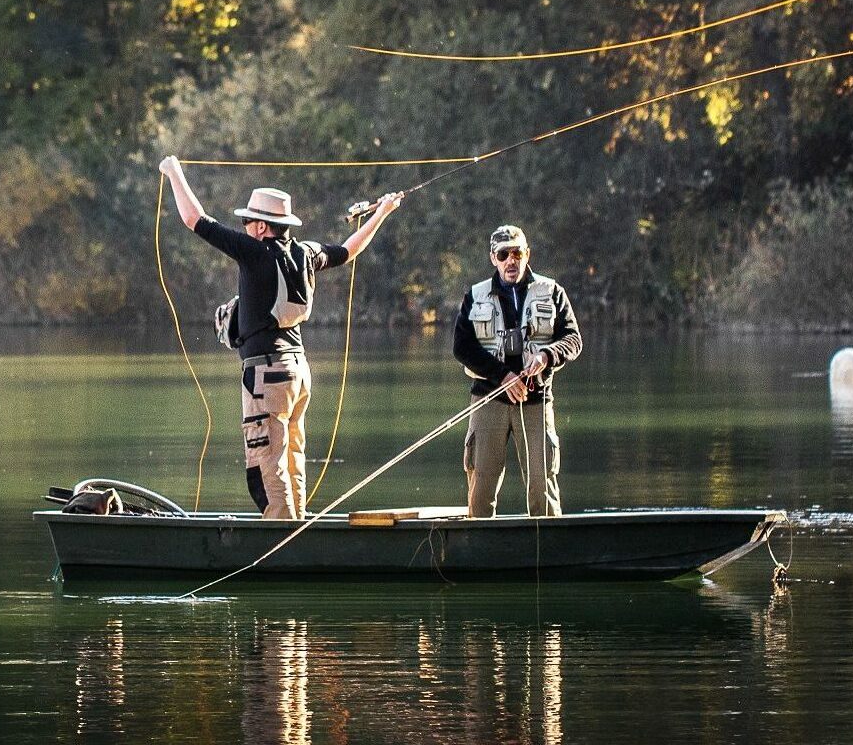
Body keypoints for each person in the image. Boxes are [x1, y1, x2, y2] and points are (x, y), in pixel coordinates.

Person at [158, 155, 402, 520]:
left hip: (267, 376)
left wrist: (173, 171)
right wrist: (381, 213)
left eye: (246, 222)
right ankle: (296, 520)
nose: (243, 227)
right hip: (299, 372)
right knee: (291, 457)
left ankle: (282, 534)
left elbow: (195, 219)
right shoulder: (307, 253)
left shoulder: (254, 253)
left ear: (260, 227)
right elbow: (348, 250)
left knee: (266, 462)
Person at [452, 225, 582, 518]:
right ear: (493, 258)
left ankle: (548, 548)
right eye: (503, 254)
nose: (511, 260)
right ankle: (480, 552)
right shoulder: (475, 296)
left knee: (541, 483)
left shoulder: (552, 292)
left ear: (527, 254)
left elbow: (573, 339)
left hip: (535, 401)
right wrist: (503, 377)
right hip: (489, 399)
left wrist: (548, 355)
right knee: (481, 483)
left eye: (517, 253)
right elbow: (462, 348)